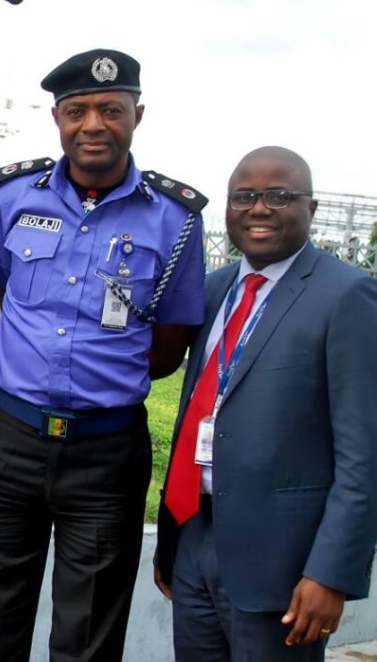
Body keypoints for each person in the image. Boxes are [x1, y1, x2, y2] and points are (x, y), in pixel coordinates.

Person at [0, 49, 208, 662]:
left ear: (137, 116)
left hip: (106, 452)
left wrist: (100, 377)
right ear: (58, 119)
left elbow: (169, 344)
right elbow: (6, 291)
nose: (93, 124)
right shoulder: (12, 196)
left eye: (111, 110)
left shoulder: (175, 218)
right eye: (78, 111)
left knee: (89, 636)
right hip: (8, 442)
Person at [154, 146, 377, 661]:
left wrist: (331, 573)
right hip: (195, 536)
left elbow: (364, 453)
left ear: (312, 208)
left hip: (285, 562)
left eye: (279, 196)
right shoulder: (210, 292)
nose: (259, 208)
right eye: (244, 197)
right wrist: (175, 543)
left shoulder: (348, 296)